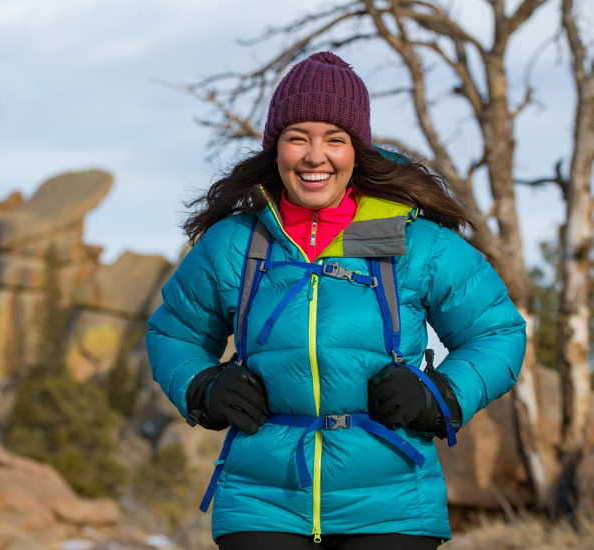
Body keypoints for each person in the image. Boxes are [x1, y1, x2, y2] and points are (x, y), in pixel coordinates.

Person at [146, 52, 526, 550]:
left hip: (392, 504)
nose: (314, 156)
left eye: (335, 139)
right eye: (297, 137)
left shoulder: (404, 239)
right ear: (276, 147)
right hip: (264, 500)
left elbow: (497, 331)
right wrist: (203, 388)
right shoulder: (238, 243)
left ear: (356, 151)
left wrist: (442, 395)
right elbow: (172, 333)